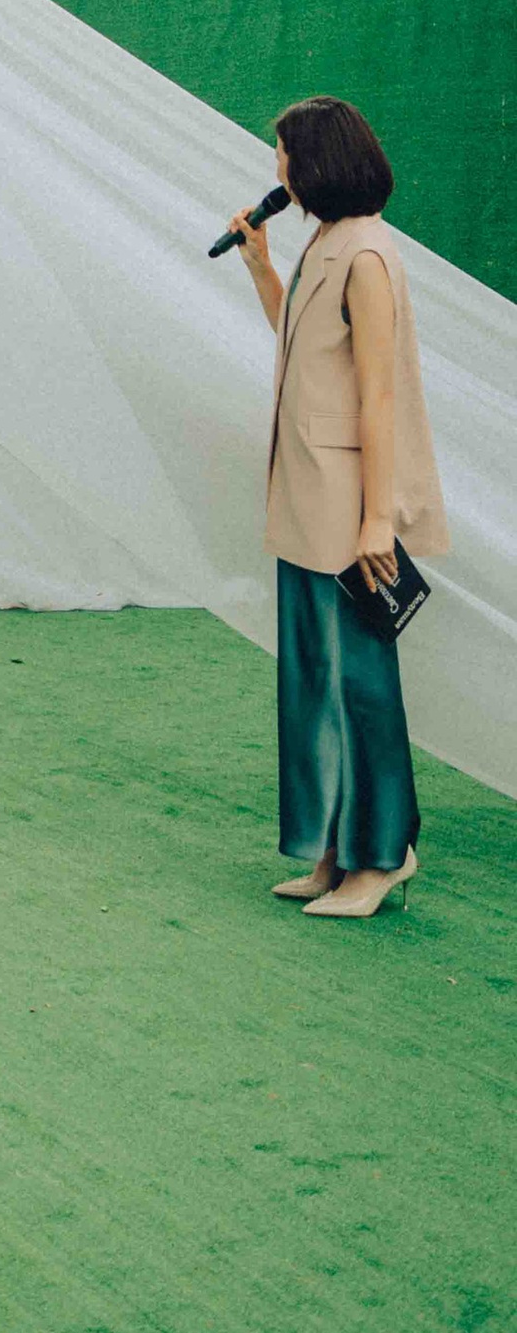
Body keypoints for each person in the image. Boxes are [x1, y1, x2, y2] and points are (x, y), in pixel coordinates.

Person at [227, 95, 450, 919]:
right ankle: (334, 848)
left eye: (282, 153)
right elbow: (303, 348)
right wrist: (261, 268)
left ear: (315, 160)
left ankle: (381, 858)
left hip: (348, 504)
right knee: (315, 677)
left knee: (359, 681)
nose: (276, 170)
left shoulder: (368, 256)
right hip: (305, 495)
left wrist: (377, 518)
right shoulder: (325, 241)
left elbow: (379, 397)